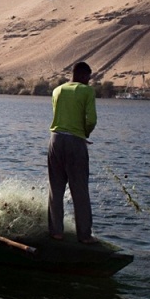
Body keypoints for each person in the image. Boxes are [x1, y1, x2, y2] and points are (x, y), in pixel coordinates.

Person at [47, 61, 99, 244]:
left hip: (55, 141)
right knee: (80, 190)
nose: (89, 81)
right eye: (89, 78)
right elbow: (91, 119)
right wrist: (84, 134)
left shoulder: (57, 90)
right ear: (84, 76)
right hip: (75, 143)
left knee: (56, 188)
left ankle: (56, 232)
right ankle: (84, 235)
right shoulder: (87, 91)